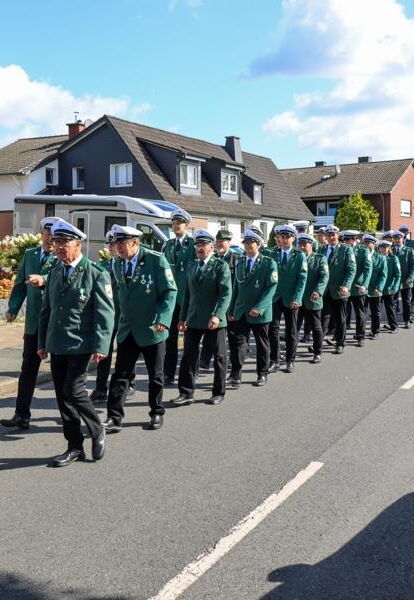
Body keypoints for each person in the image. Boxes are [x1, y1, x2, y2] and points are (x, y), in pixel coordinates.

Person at [38, 219, 114, 467]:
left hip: (82, 343)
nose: (59, 247)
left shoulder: (95, 273)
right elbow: (46, 310)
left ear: (78, 245)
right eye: (56, 242)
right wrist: (42, 342)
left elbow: (105, 313)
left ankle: (97, 428)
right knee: (63, 396)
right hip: (57, 343)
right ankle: (74, 446)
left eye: (64, 242)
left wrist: (102, 345)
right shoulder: (55, 272)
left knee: (74, 389)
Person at [103, 224, 177, 433]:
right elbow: (117, 296)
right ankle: (114, 417)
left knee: (155, 375)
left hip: (152, 328)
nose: (118, 247)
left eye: (122, 243)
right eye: (116, 243)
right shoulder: (117, 264)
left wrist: (163, 318)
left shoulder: (155, 260)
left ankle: (156, 412)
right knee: (120, 374)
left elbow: (170, 292)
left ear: (135, 242)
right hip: (128, 329)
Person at [1, 217, 58, 430]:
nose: (50, 238)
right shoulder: (30, 254)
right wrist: (13, 308)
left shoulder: (62, 256)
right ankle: (21, 414)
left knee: (62, 373)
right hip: (34, 323)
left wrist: (43, 279)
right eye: (47, 233)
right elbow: (19, 285)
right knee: (27, 371)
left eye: (54, 235)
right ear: (40, 234)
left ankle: (69, 415)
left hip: (55, 324)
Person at [172, 229, 232, 406]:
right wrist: (182, 317)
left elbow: (225, 294)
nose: (200, 248)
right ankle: (186, 392)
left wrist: (218, 315)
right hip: (194, 318)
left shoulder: (220, 266)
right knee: (188, 356)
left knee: (219, 356)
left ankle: (218, 392)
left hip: (213, 319)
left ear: (212, 247)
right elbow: (187, 294)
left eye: (203, 245)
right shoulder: (192, 265)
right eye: (198, 245)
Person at [227, 229, 278, 387]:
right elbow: (236, 287)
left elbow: (271, 288)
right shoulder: (240, 262)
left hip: (259, 312)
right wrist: (231, 309)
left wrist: (260, 308)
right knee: (238, 343)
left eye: (251, 243)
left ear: (259, 244)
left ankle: (262, 373)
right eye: (246, 243)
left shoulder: (268, 263)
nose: (248, 245)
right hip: (241, 310)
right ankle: (236, 374)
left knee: (262, 343)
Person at [162, 209, 196, 384]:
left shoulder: (193, 244)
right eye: (174, 223)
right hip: (172, 298)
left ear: (186, 225)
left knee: (190, 339)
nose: (176, 226)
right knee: (170, 338)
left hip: (188, 297)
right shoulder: (167, 245)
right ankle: (168, 373)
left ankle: (190, 372)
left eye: (179, 223)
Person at [269, 224, 308, 373]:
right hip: (275, 298)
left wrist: (297, 298)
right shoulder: (273, 254)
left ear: (293, 239)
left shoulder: (299, 255)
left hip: (291, 299)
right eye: (281, 237)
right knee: (273, 329)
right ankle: (274, 360)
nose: (284, 240)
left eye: (287, 237)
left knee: (291, 331)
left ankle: (290, 360)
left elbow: (302, 279)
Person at [199, 229, 239, 370]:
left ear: (229, 243)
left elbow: (237, 285)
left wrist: (233, 307)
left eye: (223, 241)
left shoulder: (235, 259)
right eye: (218, 241)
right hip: (214, 305)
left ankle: (233, 363)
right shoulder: (213, 258)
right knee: (210, 333)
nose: (220, 244)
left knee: (232, 336)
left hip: (230, 304)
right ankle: (204, 361)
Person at [321, 225, 356, 354]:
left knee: (340, 318)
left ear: (338, 235)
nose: (331, 237)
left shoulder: (346, 249)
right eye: (328, 235)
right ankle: (318, 344)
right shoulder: (321, 249)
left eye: (333, 235)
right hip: (324, 290)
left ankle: (340, 343)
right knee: (323, 318)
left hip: (339, 290)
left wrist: (346, 285)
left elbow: (351, 270)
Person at [297, 233, 329, 363]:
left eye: (304, 244)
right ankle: (290, 352)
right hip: (298, 298)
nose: (302, 247)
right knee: (294, 327)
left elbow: (324, 276)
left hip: (313, 297)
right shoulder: (296, 258)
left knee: (316, 327)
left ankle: (317, 352)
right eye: (300, 244)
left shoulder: (319, 259)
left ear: (311, 245)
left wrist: (318, 291)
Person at [344, 230, 372, 347]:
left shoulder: (363, 251)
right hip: (345, 287)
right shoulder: (343, 250)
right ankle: (340, 337)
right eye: (345, 239)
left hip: (358, 287)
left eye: (348, 239)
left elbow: (368, 270)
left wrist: (365, 285)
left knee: (360, 313)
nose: (346, 242)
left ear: (354, 239)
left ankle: (360, 336)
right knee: (343, 314)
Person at [362, 234, 388, 338]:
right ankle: (361, 333)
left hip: (375, 289)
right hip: (363, 289)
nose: (366, 245)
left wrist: (379, 288)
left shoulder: (380, 258)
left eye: (368, 243)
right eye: (364, 243)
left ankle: (375, 331)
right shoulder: (361, 256)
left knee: (375, 312)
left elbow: (383, 275)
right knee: (362, 313)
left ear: (374, 244)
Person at [392, 230, 414, 328]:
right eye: (395, 238)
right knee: (393, 302)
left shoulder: (409, 250)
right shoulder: (390, 250)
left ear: (403, 239)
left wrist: (410, 277)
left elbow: (412, 266)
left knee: (406, 301)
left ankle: (406, 320)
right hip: (394, 281)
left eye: (399, 238)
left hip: (406, 280)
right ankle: (392, 322)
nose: (397, 240)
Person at [378, 240, 401, 334]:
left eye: (385, 247)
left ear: (389, 248)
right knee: (376, 310)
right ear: (379, 248)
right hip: (378, 289)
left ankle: (394, 326)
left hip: (389, 288)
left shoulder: (394, 258)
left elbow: (398, 275)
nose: (383, 249)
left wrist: (394, 288)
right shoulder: (376, 257)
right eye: (381, 247)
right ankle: (375, 329)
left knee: (390, 309)